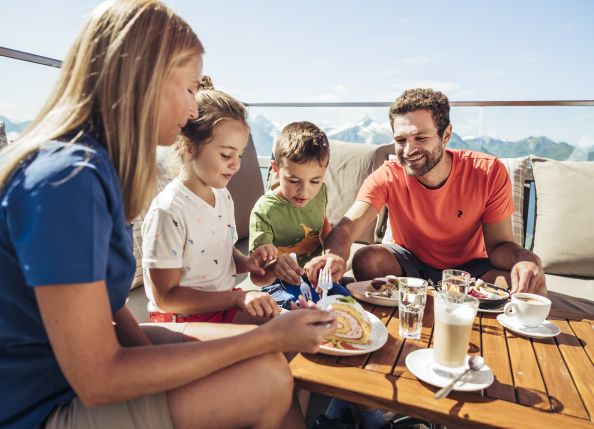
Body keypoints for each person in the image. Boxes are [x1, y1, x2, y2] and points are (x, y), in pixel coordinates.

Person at [0, 2, 336, 429]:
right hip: (38, 404)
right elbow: (98, 379)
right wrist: (266, 335)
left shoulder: (97, 168)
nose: (195, 110)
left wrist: (153, 355)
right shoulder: (67, 182)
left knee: (267, 358)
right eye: (191, 89)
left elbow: (109, 302)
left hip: (77, 369)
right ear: (146, 79)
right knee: (267, 375)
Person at [305, 88, 547, 296]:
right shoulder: (388, 175)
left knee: (520, 287)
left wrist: (524, 259)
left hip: (471, 269)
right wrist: (334, 255)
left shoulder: (488, 171)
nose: (409, 150)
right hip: (410, 263)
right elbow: (347, 228)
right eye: (401, 140)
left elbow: (499, 246)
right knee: (367, 260)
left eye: (421, 138)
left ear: (446, 135)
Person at [142, 76, 281, 324]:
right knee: (275, 341)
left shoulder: (222, 196)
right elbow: (166, 298)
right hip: (183, 320)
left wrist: (250, 263)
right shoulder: (168, 211)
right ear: (188, 146)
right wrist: (236, 299)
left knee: (292, 326)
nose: (236, 164)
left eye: (239, 155)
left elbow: (222, 257)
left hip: (221, 306)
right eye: (227, 154)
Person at [249, 121, 350, 309]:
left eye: (315, 180)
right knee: (299, 308)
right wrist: (273, 266)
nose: (304, 191)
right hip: (279, 284)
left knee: (346, 303)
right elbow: (257, 276)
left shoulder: (321, 192)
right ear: (277, 170)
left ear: (325, 171)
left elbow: (323, 225)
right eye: (294, 180)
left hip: (317, 279)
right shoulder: (264, 210)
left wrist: (329, 256)